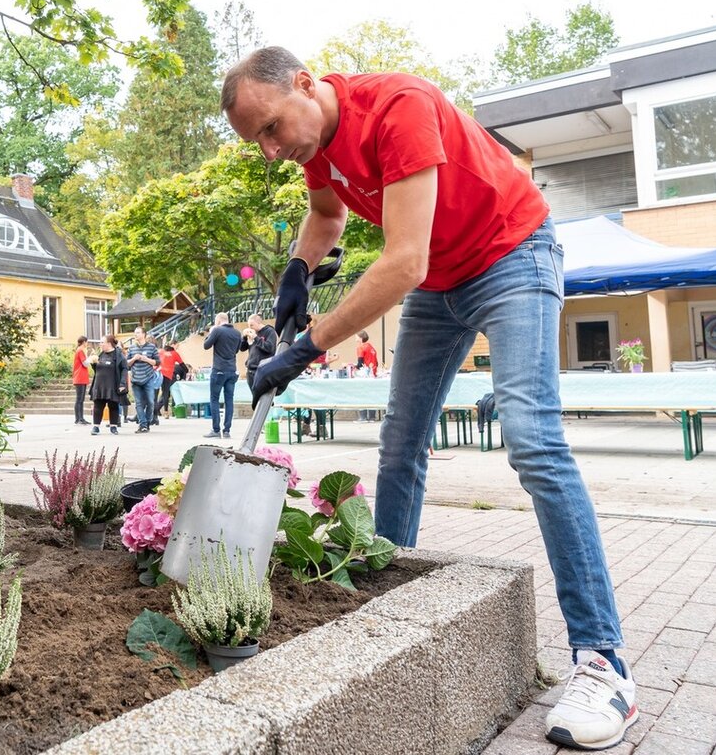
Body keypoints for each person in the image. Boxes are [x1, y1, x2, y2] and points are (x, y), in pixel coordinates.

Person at [224, 47, 632, 750]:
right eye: (256, 142)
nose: (269, 151)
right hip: (442, 284)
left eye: (269, 129)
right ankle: (390, 606)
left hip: (511, 254)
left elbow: (403, 260)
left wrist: (304, 347)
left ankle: (604, 662)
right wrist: (297, 268)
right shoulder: (315, 149)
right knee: (401, 443)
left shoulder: (398, 106)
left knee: (531, 439)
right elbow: (327, 218)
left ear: (303, 83)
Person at [202, 312, 242, 438]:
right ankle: (227, 431)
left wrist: (211, 331)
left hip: (219, 370)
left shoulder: (217, 330)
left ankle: (215, 429)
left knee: (214, 399)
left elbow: (206, 345)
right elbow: (237, 350)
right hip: (232, 370)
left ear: (218, 320)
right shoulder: (237, 333)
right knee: (229, 400)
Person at [89, 336, 129, 435]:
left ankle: (113, 427)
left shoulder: (118, 355)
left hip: (112, 384)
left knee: (113, 405)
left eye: (102, 342)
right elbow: (97, 369)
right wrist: (93, 364)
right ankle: (96, 427)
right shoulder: (101, 354)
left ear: (109, 343)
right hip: (99, 384)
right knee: (98, 405)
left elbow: (124, 369)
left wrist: (123, 383)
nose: (100, 344)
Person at [126, 327, 160, 433]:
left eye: (138, 333)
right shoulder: (131, 348)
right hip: (136, 379)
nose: (136, 335)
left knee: (150, 402)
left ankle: (147, 421)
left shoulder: (152, 347)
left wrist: (146, 359)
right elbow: (126, 364)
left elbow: (157, 362)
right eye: (135, 333)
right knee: (139, 403)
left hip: (148, 378)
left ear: (144, 334)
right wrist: (134, 359)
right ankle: (143, 425)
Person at [239, 313, 278, 385]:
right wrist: (244, 338)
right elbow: (242, 348)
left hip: (263, 370)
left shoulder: (269, 331)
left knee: (262, 395)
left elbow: (269, 348)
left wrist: (256, 338)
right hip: (251, 371)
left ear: (259, 322)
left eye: (252, 325)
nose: (250, 327)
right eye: (248, 325)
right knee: (255, 395)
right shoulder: (252, 332)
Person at [356, 330, 380, 421]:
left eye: (357, 336)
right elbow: (376, 362)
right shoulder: (371, 347)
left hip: (364, 376)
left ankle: (363, 417)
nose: (355, 337)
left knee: (362, 395)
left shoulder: (360, 348)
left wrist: (350, 365)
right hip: (372, 375)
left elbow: (360, 364)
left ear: (360, 338)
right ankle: (372, 417)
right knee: (372, 395)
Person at [157, 343, 186, 415]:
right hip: (167, 374)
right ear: (173, 345)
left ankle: (153, 410)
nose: (177, 347)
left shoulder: (160, 351)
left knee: (156, 393)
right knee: (166, 393)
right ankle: (165, 412)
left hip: (157, 373)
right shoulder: (175, 353)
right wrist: (187, 370)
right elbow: (182, 364)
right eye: (177, 345)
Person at [72, 335, 92, 425]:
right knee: (79, 399)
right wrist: (91, 358)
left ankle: (80, 418)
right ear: (84, 342)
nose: (87, 344)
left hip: (81, 378)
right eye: (87, 342)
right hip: (80, 377)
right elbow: (85, 364)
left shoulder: (80, 350)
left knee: (80, 399)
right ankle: (78, 418)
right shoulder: (80, 351)